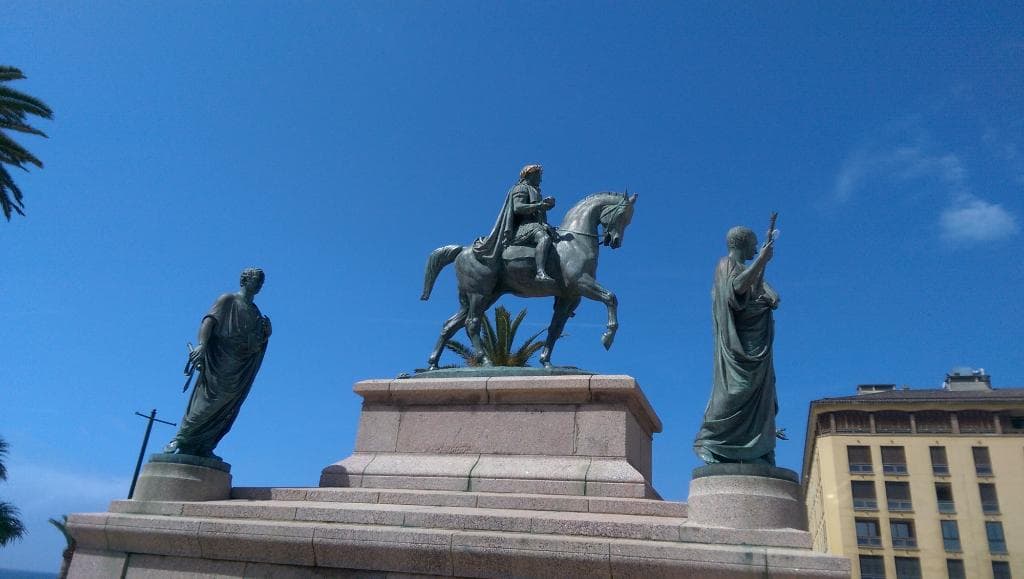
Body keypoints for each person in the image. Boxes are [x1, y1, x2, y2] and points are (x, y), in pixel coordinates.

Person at [163, 267, 272, 459]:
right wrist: (202, 345)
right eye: (256, 280)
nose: (259, 285)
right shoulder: (227, 300)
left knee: (228, 407)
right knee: (207, 401)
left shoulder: (256, 312)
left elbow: (254, 341)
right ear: (245, 281)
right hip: (219, 360)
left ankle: (205, 445)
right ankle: (181, 439)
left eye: (261, 282)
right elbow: (209, 322)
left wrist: (265, 335)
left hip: (241, 366)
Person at [694, 226, 780, 465]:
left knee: (762, 393)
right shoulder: (725, 264)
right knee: (734, 391)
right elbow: (736, 289)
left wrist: (769, 291)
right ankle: (710, 441)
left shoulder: (749, 269)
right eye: (754, 245)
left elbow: (768, 294)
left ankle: (757, 449)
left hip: (758, 345)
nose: (756, 249)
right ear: (743, 243)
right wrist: (761, 260)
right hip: (737, 344)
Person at [473, 164, 558, 281]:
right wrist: (540, 205)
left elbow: (538, 214)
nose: (541, 179)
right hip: (522, 227)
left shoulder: (536, 191)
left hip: (535, 225)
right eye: (538, 175)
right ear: (530, 175)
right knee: (544, 239)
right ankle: (540, 272)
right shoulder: (521, 188)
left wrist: (545, 207)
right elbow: (518, 207)